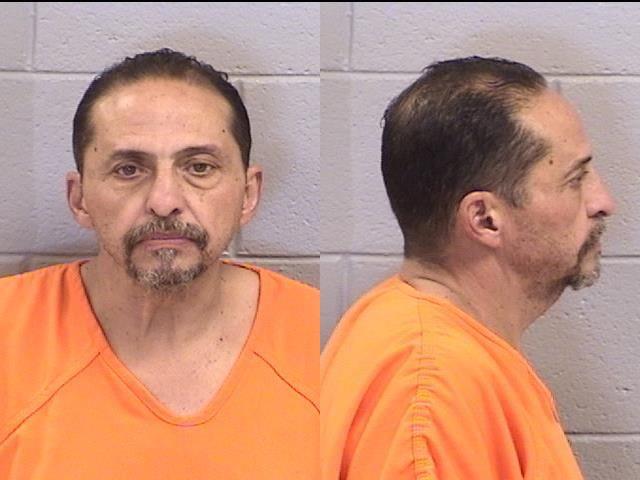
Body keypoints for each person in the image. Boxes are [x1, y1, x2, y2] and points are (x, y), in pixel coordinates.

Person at [0, 48, 318, 478]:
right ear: (79, 199)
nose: (164, 201)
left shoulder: (322, 341)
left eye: (199, 167)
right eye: (128, 170)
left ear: (248, 194)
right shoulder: (8, 332)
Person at [321, 56, 615, 479]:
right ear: (485, 219)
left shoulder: (415, 336)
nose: (603, 201)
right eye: (575, 179)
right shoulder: (432, 395)